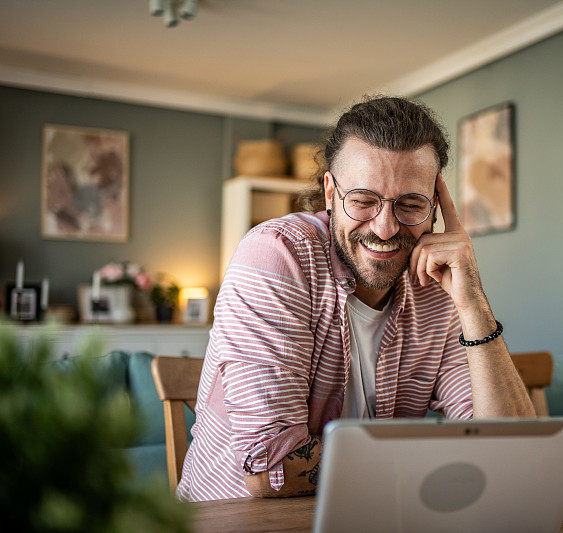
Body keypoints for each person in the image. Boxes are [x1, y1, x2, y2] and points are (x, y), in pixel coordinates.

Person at [176, 96, 534, 502]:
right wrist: (437, 455)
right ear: (330, 192)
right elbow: (272, 472)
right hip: (237, 521)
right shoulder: (277, 256)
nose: (384, 228)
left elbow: (513, 453)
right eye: (363, 201)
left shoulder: (436, 283)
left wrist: (472, 302)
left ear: (435, 207)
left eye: (410, 204)